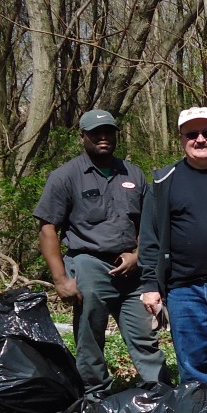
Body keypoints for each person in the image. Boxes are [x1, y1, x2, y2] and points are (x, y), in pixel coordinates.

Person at [34, 108, 168, 394]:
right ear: (83, 137)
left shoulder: (132, 174)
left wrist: (138, 255)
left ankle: (159, 392)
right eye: (96, 133)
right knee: (90, 335)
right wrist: (60, 279)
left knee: (144, 334)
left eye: (108, 132)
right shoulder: (65, 176)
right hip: (88, 263)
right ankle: (96, 395)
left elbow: (149, 224)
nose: (103, 137)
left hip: (132, 267)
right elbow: (47, 229)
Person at [139, 106, 207, 397]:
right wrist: (150, 285)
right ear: (181, 138)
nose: (201, 139)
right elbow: (149, 237)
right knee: (193, 366)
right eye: (192, 134)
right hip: (183, 290)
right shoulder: (164, 181)